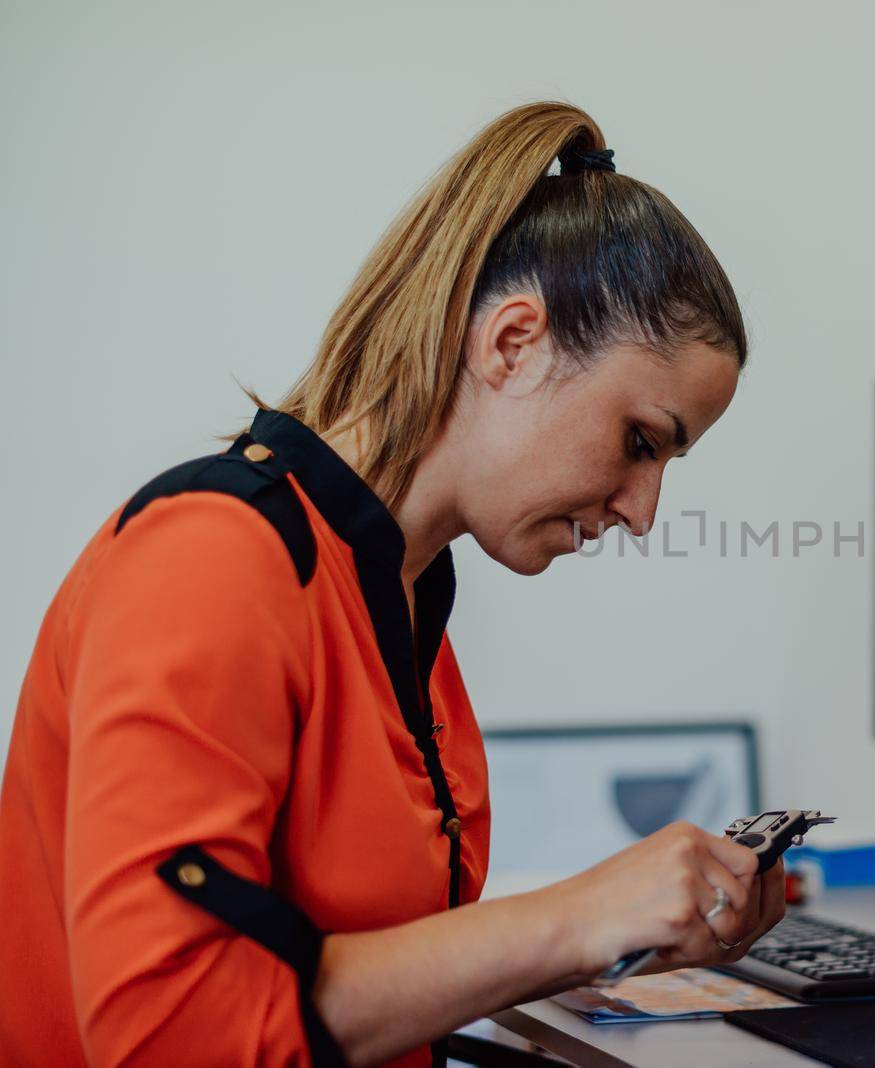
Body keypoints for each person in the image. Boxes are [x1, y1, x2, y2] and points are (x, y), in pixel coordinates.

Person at [0, 101, 783, 1067]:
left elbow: (374, 979)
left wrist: (635, 927)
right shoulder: (209, 561)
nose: (642, 510)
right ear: (512, 342)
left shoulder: (407, 610)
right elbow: (175, 1034)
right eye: (639, 442)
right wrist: (581, 916)